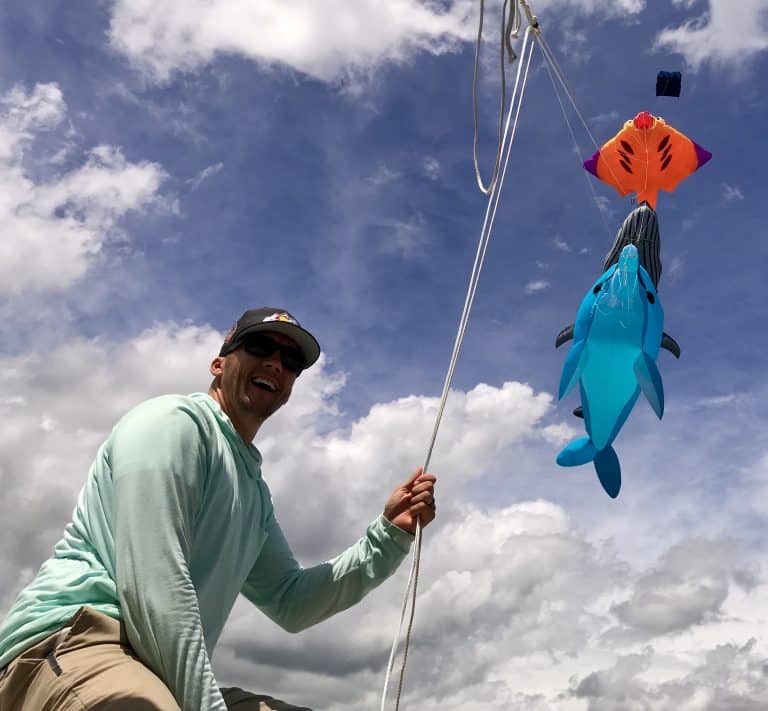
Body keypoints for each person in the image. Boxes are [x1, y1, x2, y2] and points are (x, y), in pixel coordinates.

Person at [0, 307, 437, 710]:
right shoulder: (172, 423)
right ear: (219, 363)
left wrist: (388, 535)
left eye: (291, 361)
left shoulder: (253, 494)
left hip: (162, 670)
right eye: (260, 346)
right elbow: (156, 587)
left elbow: (293, 602)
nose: (275, 363)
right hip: (77, 644)